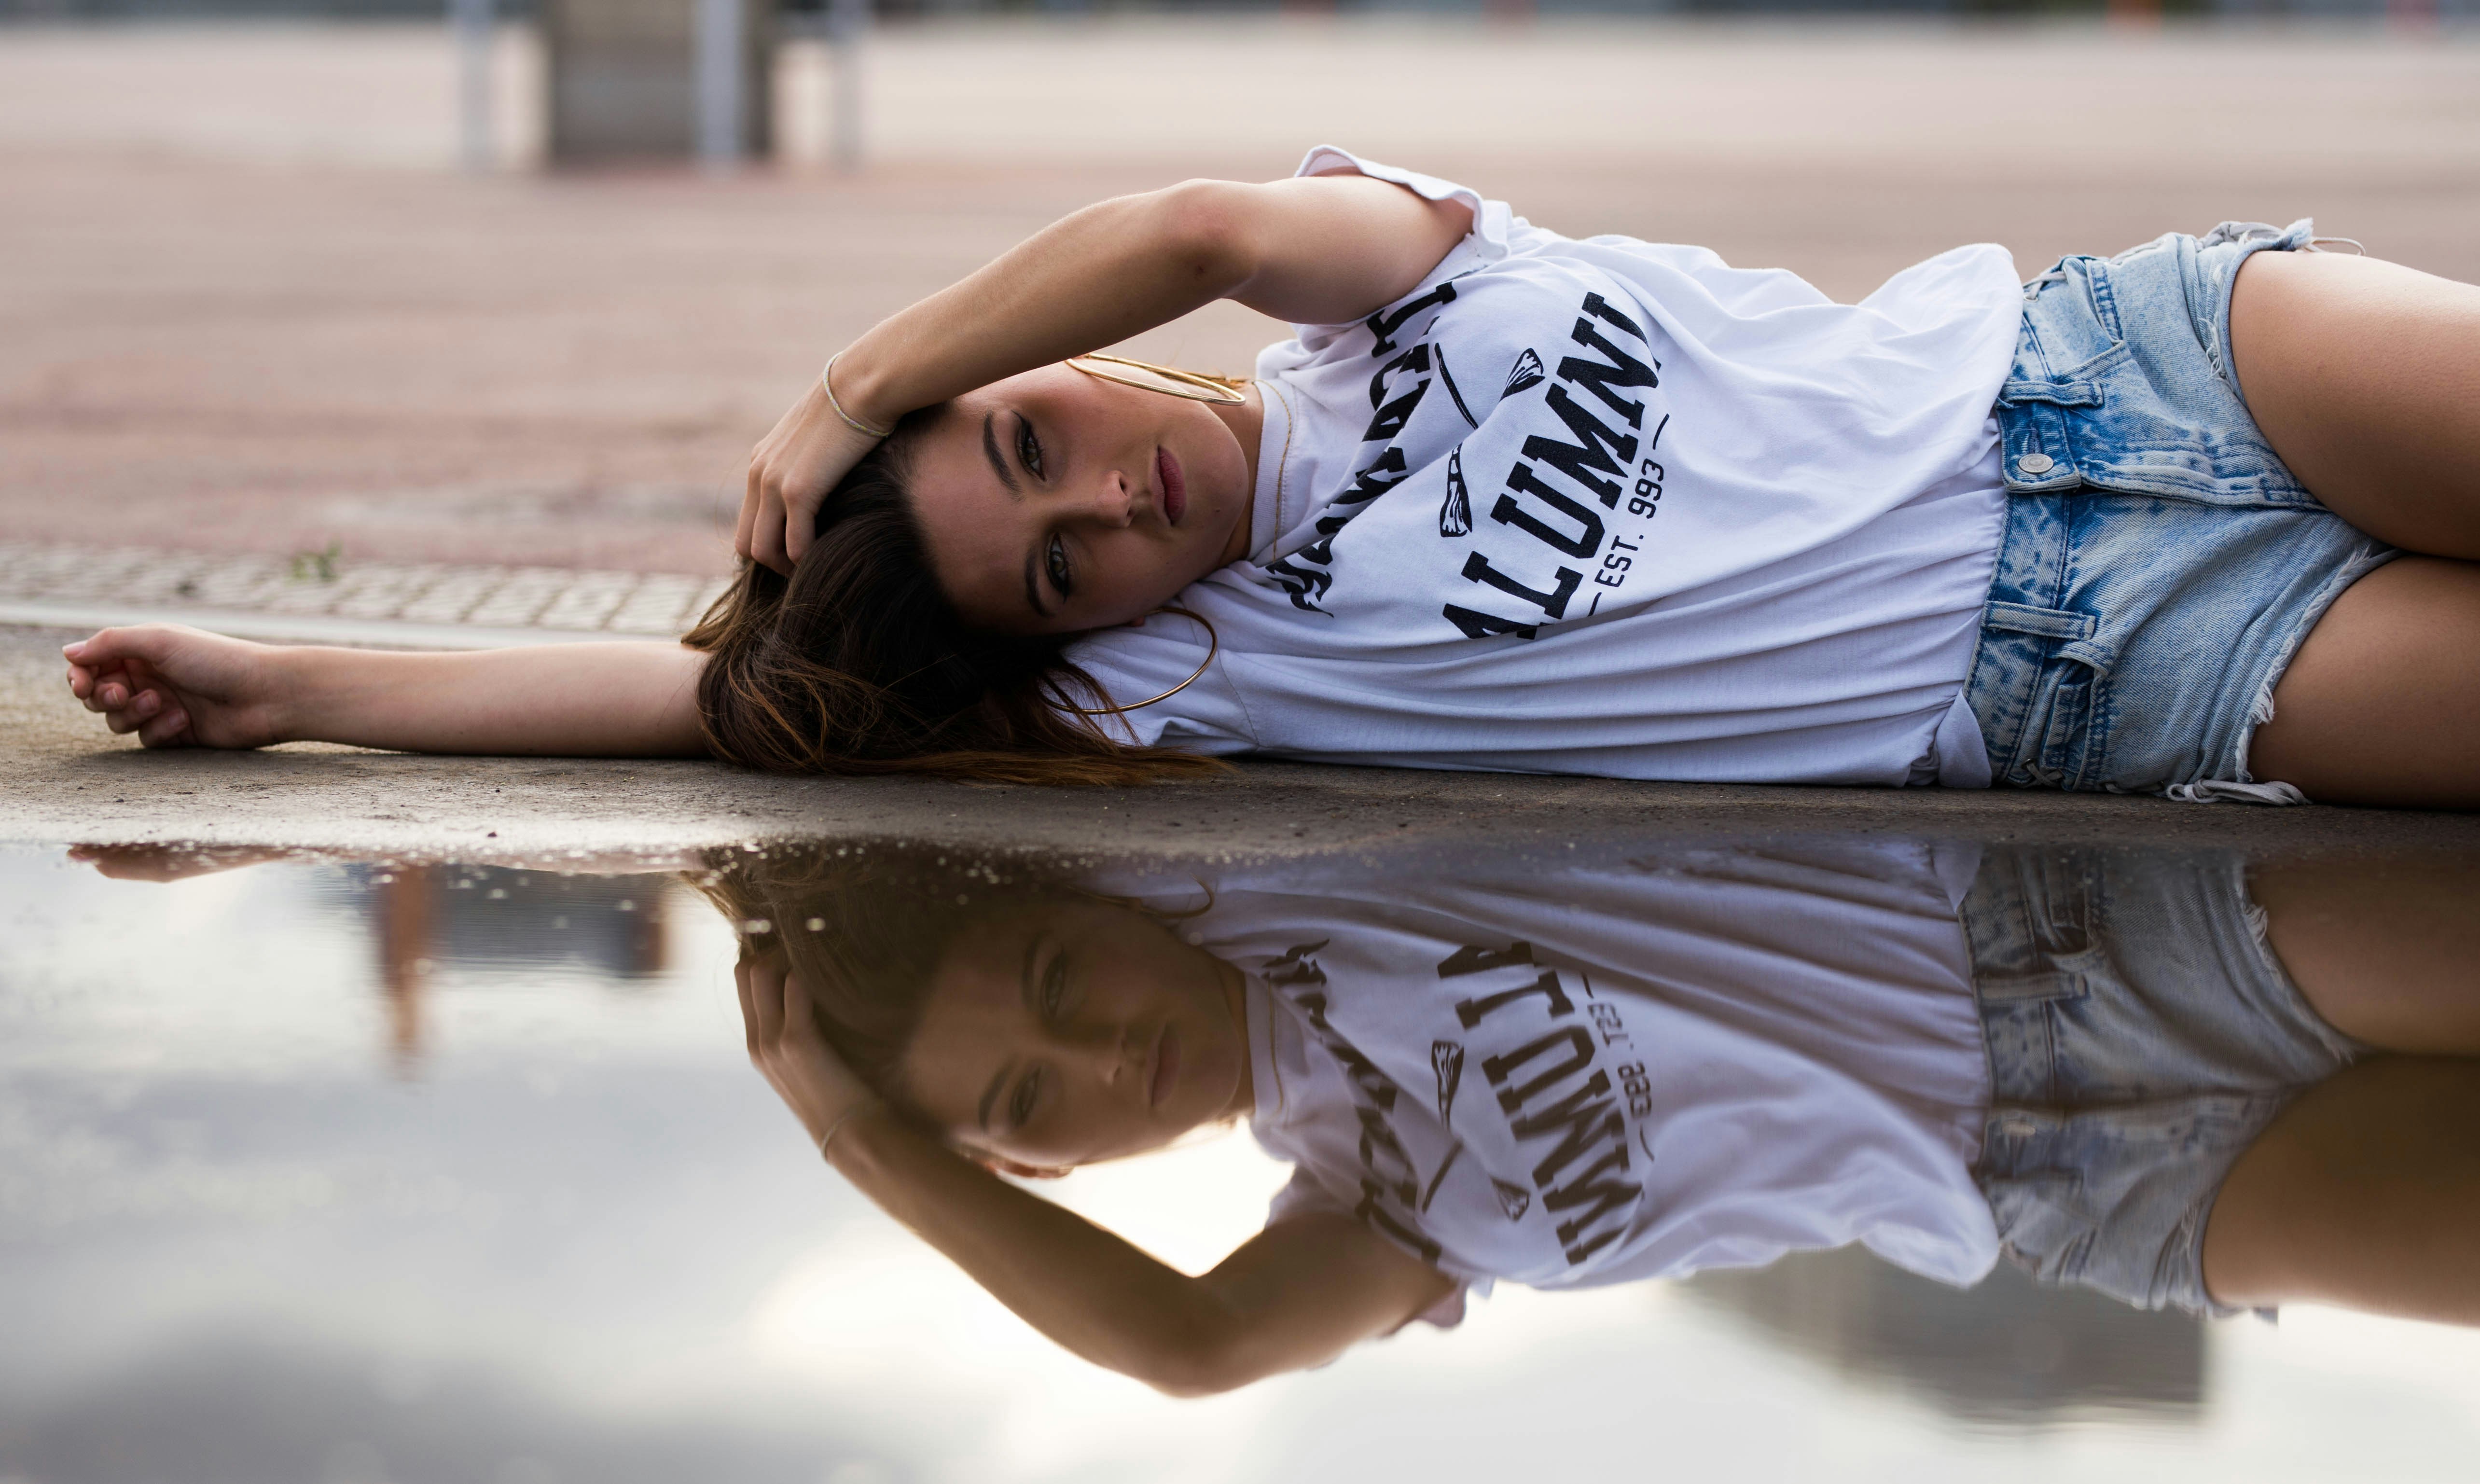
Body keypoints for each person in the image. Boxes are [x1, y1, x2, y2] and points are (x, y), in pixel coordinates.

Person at [61, 149, 2480, 804]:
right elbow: (703, 714)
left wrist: (845, 387)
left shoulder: (1366, 287)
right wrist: (274, 682)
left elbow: (1192, 227)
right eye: (1061, 571)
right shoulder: (1205, 665)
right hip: (2110, 672)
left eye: (1035, 436)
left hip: (2133, 363)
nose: (1109, 507)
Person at [705, 837, 2480, 1395]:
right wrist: (866, 1149)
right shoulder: (1360, 1216)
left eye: (1053, 977)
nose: (1096, 1058)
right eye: (1032, 1102)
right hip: (2082, 1191)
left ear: (1079, 902)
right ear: (1033, 1168)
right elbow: (1186, 1345)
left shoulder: (1283, 856)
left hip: (2067, 947)